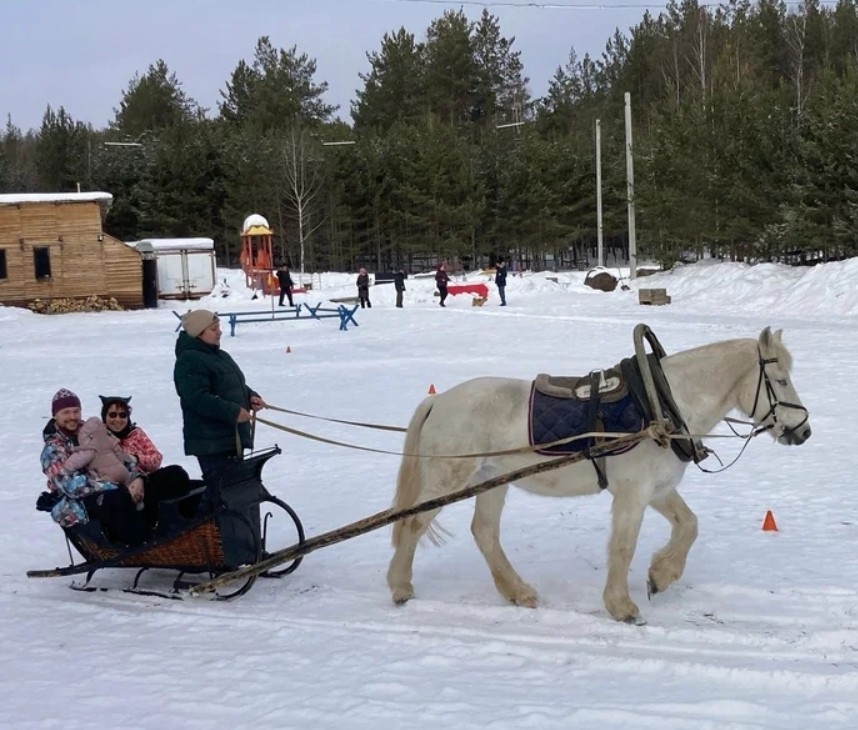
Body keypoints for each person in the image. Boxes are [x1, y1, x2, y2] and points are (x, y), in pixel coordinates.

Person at [39, 389, 150, 545]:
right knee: (119, 498)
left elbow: (120, 457)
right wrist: (116, 487)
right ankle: (139, 542)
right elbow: (69, 485)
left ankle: (167, 530)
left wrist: (137, 479)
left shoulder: (94, 431)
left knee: (167, 477)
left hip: (117, 484)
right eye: (66, 412)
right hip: (79, 503)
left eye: (76, 411)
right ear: (55, 415)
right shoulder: (53, 449)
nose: (72, 417)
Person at [173, 309, 267, 481]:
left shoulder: (219, 355)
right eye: (213, 328)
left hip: (229, 437)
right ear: (198, 333)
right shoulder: (190, 360)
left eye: (218, 327)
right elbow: (197, 398)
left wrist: (250, 396)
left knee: (232, 494)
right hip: (211, 442)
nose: (219, 332)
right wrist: (232, 412)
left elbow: (230, 386)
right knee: (222, 495)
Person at [100, 395, 163, 474]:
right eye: (113, 415)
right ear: (104, 417)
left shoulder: (136, 434)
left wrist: (136, 459)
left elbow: (157, 458)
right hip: (115, 481)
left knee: (175, 472)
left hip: (145, 479)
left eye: (122, 415)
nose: (117, 419)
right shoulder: (99, 436)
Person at [66, 416, 133, 488]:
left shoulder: (91, 447)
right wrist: (120, 463)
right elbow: (119, 453)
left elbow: (78, 459)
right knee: (129, 491)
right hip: (122, 471)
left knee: (109, 491)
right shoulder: (109, 439)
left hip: (107, 476)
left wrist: (68, 466)